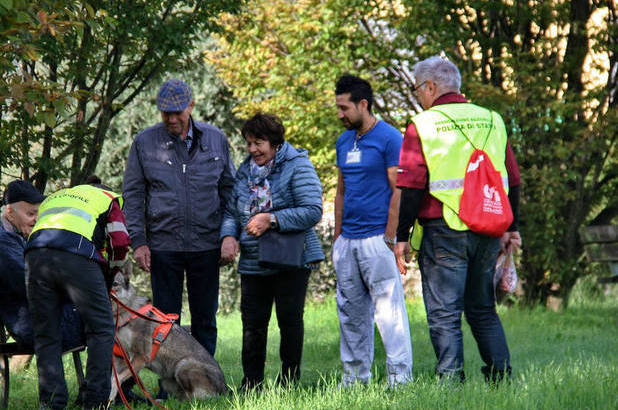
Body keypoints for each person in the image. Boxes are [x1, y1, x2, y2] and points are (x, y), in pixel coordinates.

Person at [395, 56, 522, 382]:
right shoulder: (492, 120)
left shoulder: (423, 124)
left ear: (431, 87)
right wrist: (511, 227)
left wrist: (401, 236)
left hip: (444, 229)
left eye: (417, 89)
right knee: (482, 308)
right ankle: (501, 378)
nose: (417, 97)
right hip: (489, 228)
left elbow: (410, 186)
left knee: (444, 312)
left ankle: (450, 383)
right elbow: (513, 179)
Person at [122, 78, 234, 357]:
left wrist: (229, 234)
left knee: (205, 319)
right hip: (163, 247)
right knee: (164, 321)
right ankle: (168, 387)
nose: (171, 118)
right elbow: (133, 196)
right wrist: (138, 242)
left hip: (207, 244)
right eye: (165, 112)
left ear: (191, 106)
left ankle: (207, 381)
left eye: (177, 112)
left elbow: (230, 192)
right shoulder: (145, 143)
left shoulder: (216, 139)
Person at [220, 113, 324, 390]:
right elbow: (232, 210)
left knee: (289, 321)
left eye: (259, 143)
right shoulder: (245, 170)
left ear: (275, 142)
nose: (253, 150)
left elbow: (313, 210)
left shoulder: (298, 165)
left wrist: (272, 219)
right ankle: (251, 383)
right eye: (249, 143)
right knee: (252, 324)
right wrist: (228, 236)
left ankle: (289, 382)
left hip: (291, 258)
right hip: (253, 259)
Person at [333, 75, 413, 387]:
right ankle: (353, 380)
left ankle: (400, 379)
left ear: (363, 104)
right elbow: (340, 191)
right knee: (350, 315)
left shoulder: (391, 138)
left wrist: (391, 238)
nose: (340, 114)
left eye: (344, 107)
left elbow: (399, 190)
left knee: (388, 314)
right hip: (348, 242)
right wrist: (338, 238)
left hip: (377, 241)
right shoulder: (343, 141)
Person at [25, 180, 130, 410]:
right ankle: (96, 405)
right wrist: (111, 272)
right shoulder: (108, 198)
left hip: (35, 257)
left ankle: (51, 406)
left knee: (46, 333)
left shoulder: (55, 197)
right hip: (77, 257)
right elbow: (120, 242)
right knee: (101, 330)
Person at [0, 180, 84, 351]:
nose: (36, 219)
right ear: (10, 212)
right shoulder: (0, 245)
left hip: (45, 317)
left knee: (107, 314)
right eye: (30, 214)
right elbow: (33, 285)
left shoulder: (19, 239)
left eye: (39, 213)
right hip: (35, 325)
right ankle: (115, 377)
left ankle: (119, 375)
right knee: (103, 319)